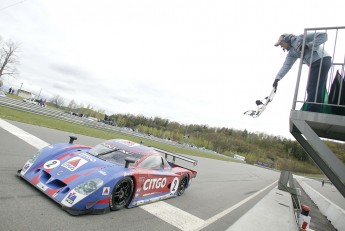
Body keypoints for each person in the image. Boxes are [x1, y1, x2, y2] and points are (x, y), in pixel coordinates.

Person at [273, 32, 332, 112]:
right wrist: (277, 78)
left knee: (312, 87)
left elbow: (323, 35)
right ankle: (316, 109)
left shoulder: (301, 37)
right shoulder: (292, 53)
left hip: (321, 59)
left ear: (286, 39)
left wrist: (308, 45)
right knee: (315, 87)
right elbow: (286, 65)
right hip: (315, 63)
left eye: (281, 43)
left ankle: (312, 110)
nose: (281, 46)